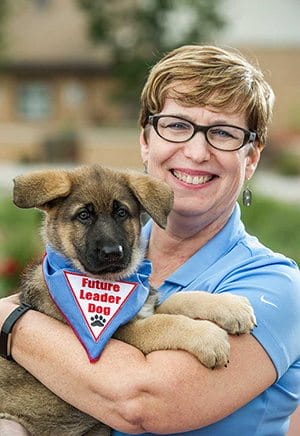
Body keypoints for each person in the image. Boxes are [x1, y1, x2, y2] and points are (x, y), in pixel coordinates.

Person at [1, 44, 300, 436]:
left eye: (223, 133)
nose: (196, 152)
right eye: (177, 125)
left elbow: (141, 402)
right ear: (146, 140)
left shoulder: (278, 286)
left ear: (252, 157)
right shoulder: (89, 262)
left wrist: (10, 323)